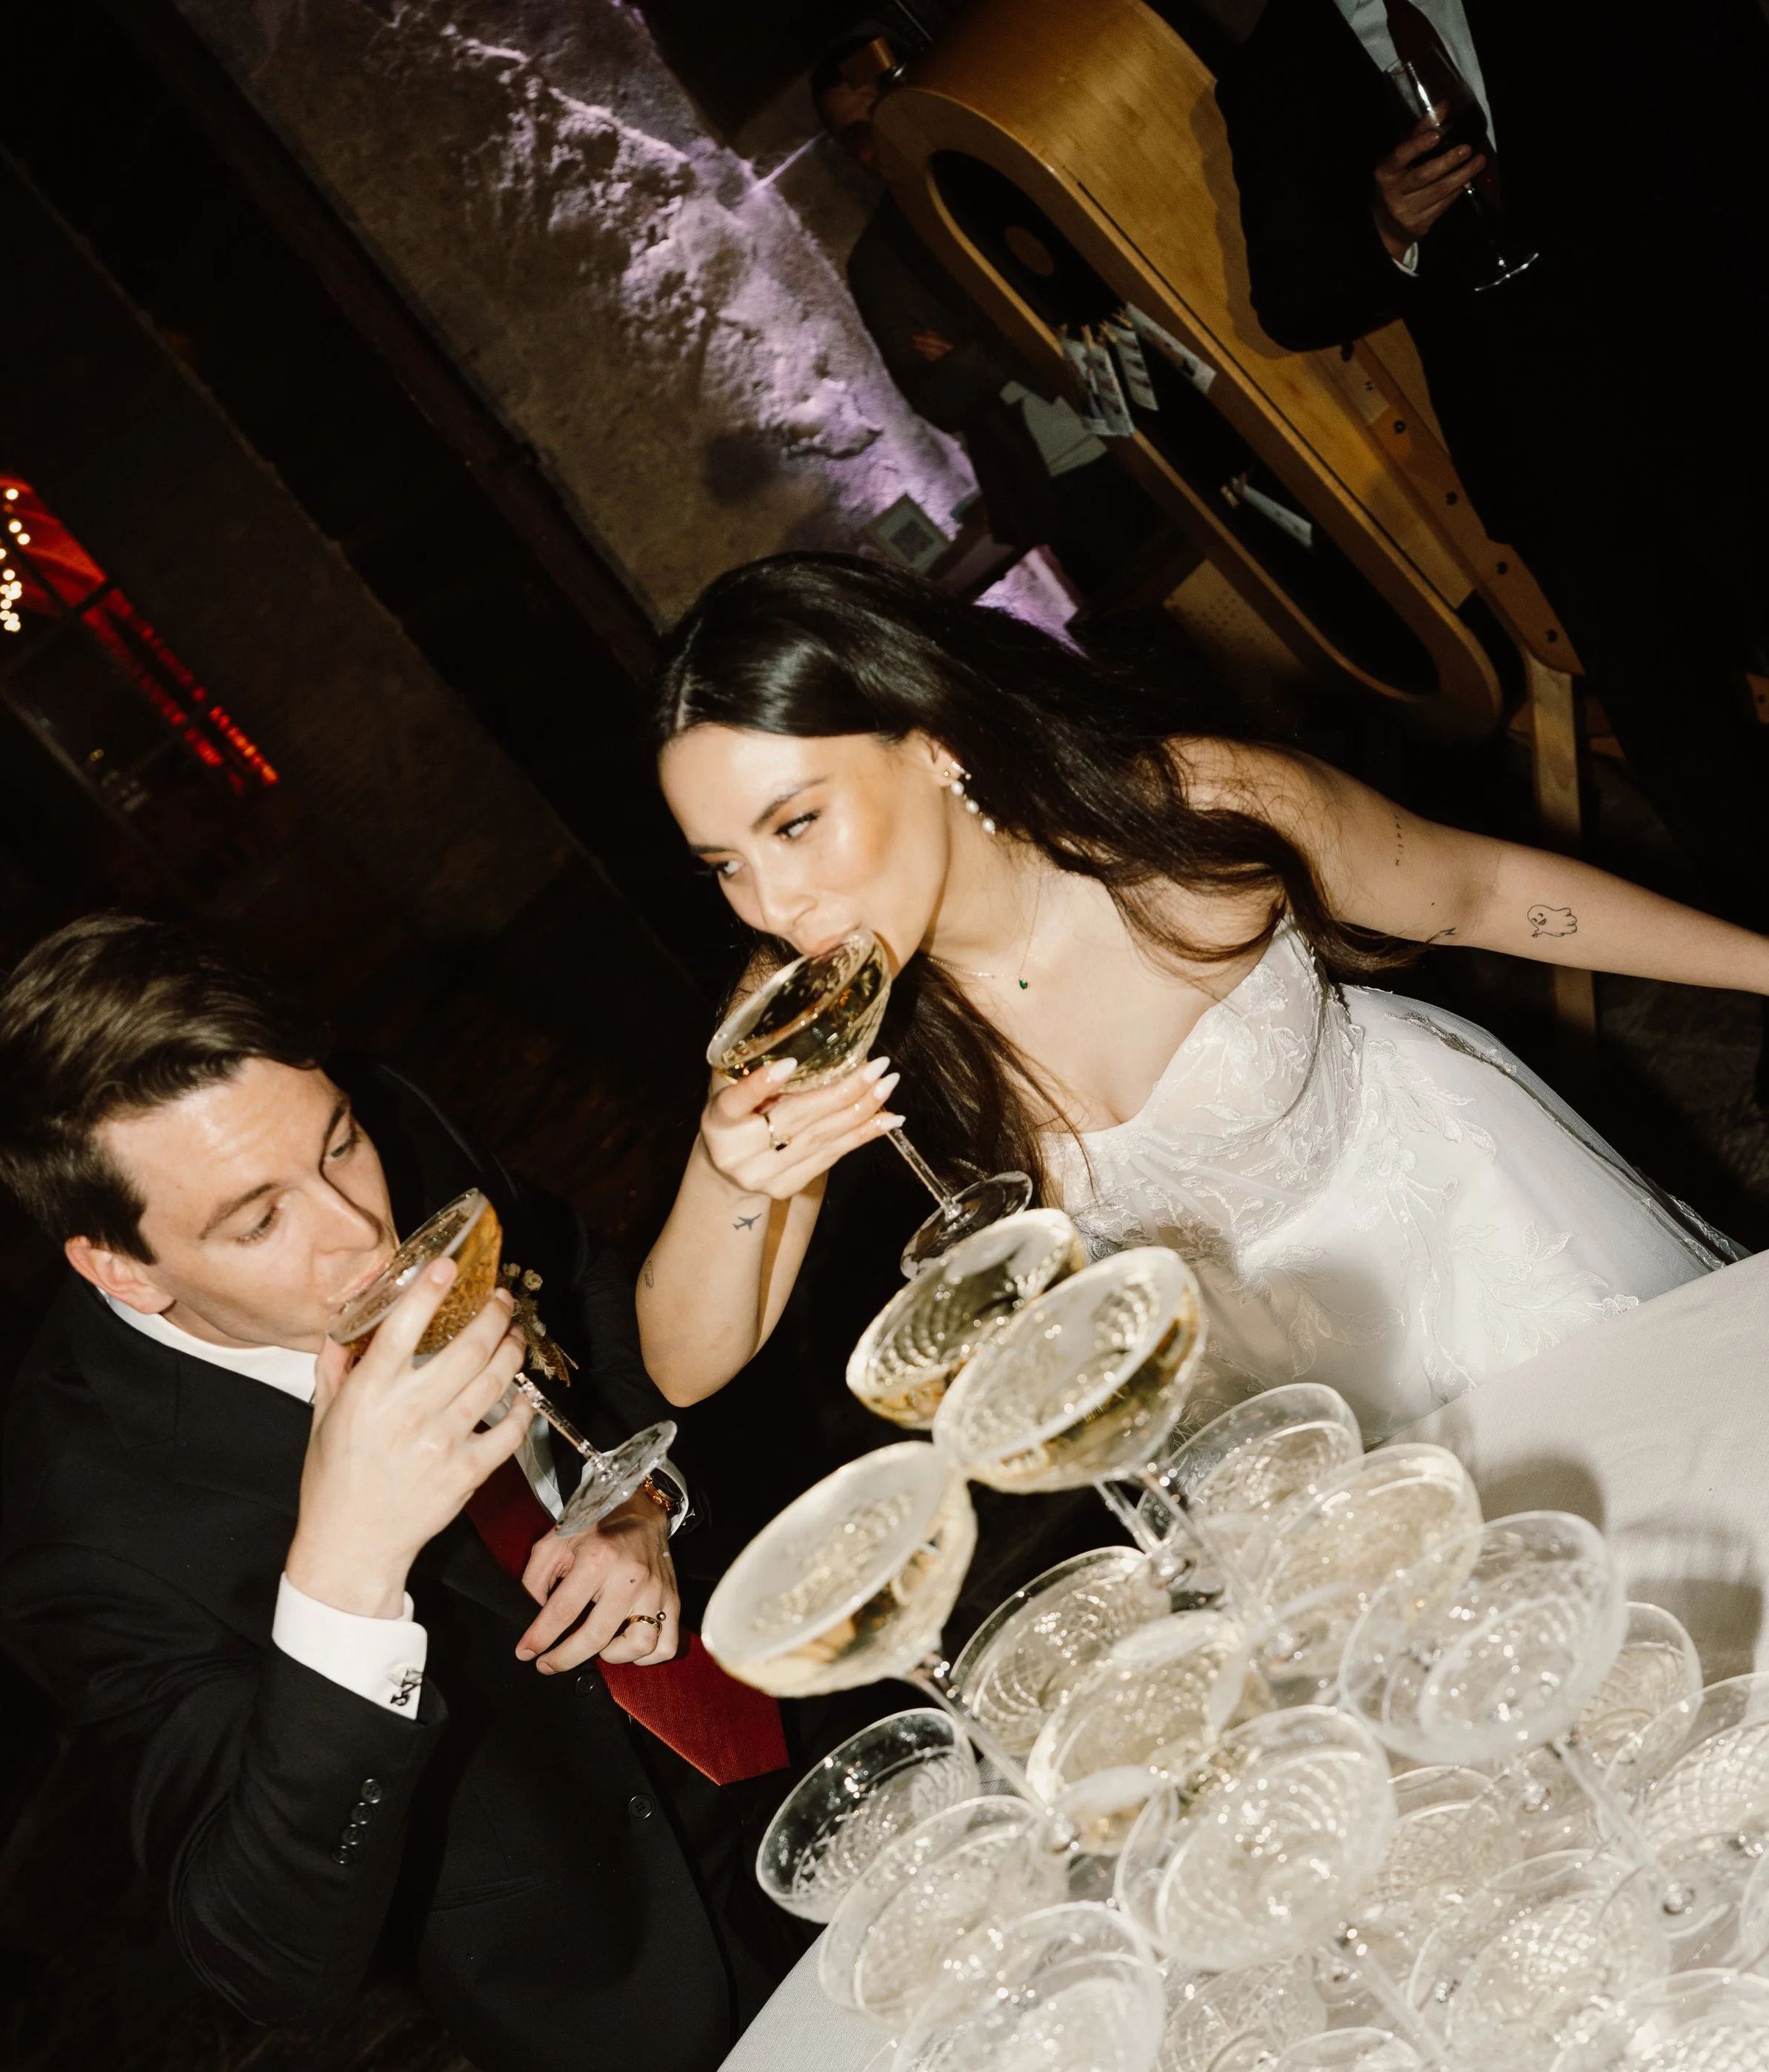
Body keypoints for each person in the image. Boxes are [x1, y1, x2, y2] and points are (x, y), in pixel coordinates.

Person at [0, 917, 811, 2072]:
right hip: (622, 1962)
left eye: (340, 1145)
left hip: (789, 1695)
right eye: (256, 1222)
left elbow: (580, 1280)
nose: (357, 1228)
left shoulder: (386, 1130)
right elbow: (264, 1959)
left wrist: (635, 1499)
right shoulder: (88, 1533)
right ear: (123, 1270)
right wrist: (348, 1566)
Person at [634, 553, 1755, 1446]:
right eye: (722, 863)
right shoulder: (812, 1008)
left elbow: (1481, 889)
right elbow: (687, 1365)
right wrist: (727, 1171)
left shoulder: (1186, 811)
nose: (774, 901)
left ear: (929, 746)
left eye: (794, 824)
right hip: (1278, 1394)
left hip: (1488, 1234)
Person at [1215, 0, 1769, 909]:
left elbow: (1729, 107)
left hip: (1716, 377)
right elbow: (1292, 300)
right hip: (1541, 452)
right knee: (1683, 738)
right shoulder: (1275, 72)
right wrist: (1384, 229)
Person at [815, 33, 1166, 601]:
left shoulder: (997, 167)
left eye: (884, 110)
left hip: (1158, 409)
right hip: (1071, 478)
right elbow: (939, 396)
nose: (877, 137)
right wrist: (1012, 334)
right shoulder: (882, 260)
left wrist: (974, 345)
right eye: (857, 134)